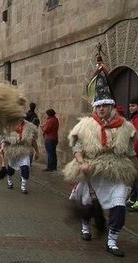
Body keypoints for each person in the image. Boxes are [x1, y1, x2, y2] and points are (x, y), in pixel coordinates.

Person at [63, 77, 138, 257]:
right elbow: (77, 146)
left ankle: (112, 241)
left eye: (104, 105)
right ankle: (86, 227)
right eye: (98, 106)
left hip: (117, 169)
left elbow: (130, 152)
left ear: (111, 106)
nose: (101, 109)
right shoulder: (85, 125)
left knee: (119, 206)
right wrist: (82, 163)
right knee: (87, 202)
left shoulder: (126, 127)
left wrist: (135, 172)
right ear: (95, 107)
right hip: (93, 169)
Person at [1, 118, 39, 194]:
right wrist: (2, 147)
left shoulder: (29, 127)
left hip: (24, 150)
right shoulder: (9, 126)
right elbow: (4, 139)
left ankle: (23, 186)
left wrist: (37, 152)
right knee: (11, 169)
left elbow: (33, 141)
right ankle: (9, 180)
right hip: (13, 150)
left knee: (25, 168)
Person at [127, 97, 138, 212]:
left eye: (133, 106)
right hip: (133, 152)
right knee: (134, 178)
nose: (130, 108)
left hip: (136, 152)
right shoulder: (133, 119)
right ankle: (133, 198)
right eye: (130, 106)